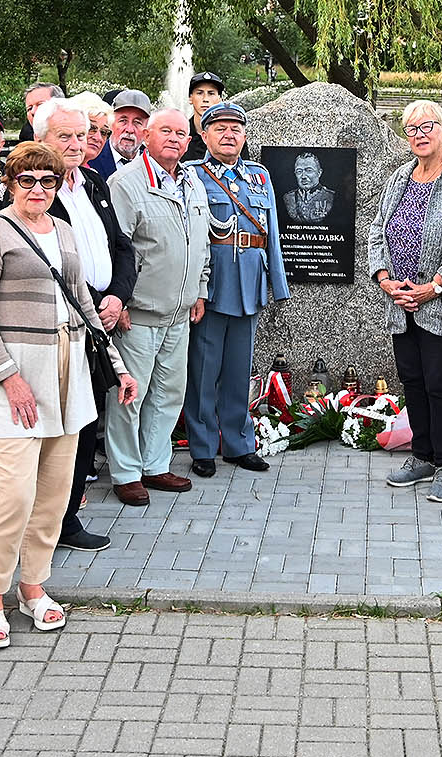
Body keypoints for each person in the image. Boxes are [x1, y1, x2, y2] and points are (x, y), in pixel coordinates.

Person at [0, 142, 139, 649]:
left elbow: (82, 301)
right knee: (13, 494)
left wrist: (119, 368)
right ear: (10, 183)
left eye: (48, 181)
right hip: (18, 377)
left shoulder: (62, 231)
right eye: (27, 180)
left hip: (70, 377)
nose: (38, 189)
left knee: (55, 494)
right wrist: (8, 377)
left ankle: (33, 586)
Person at [368, 100, 442, 504]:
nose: (418, 133)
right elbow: (378, 229)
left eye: (426, 125)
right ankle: (422, 456)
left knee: (439, 382)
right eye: (411, 128)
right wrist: (385, 280)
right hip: (398, 302)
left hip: (437, 303)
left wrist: (435, 285)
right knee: (412, 379)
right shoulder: (400, 176)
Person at [36, 99, 137, 548]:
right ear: (41, 139)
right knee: (55, 430)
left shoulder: (94, 182)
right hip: (59, 328)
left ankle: (68, 517)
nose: (77, 144)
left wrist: (117, 295)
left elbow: (121, 247)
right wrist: (94, 305)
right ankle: (44, 521)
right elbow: (42, 266)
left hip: (98, 326)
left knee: (83, 422)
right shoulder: (32, 190)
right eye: (65, 136)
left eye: (82, 134)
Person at [107, 110, 212, 504]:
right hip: (138, 314)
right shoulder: (126, 184)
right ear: (147, 135)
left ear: (188, 142)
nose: (173, 138)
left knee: (168, 393)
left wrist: (199, 289)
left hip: (179, 312)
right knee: (130, 396)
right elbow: (117, 248)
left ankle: (155, 464)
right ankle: (125, 471)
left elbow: (200, 244)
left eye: (181, 133)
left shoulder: (193, 183)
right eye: (165, 130)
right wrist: (121, 300)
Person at [186, 101, 290, 475]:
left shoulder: (259, 175)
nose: (229, 135)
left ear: (244, 135)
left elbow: (271, 233)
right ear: (204, 134)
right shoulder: (193, 175)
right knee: (203, 371)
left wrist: (277, 285)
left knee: (237, 371)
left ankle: (238, 443)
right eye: (220, 128)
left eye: (236, 129)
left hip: (249, 284)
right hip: (212, 287)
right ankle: (202, 447)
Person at [283, 150, 336, 223]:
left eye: (309, 170)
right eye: (299, 171)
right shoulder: (288, 197)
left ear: (319, 173)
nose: (303, 176)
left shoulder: (330, 196)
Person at [183, 72, 226, 160]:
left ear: (220, 99)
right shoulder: (180, 135)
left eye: (211, 93)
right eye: (199, 93)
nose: (205, 99)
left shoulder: (230, 136)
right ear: (190, 98)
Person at [108, 90, 153, 170]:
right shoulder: (91, 159)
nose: (129, 130)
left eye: (137, 123)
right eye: (123, 121)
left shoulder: (154, 163)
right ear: (111, 123)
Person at [78, 92, 119, 179]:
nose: (98, 138)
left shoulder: (95, 178)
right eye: (91, 128)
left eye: (104, 132)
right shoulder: (49, 170)